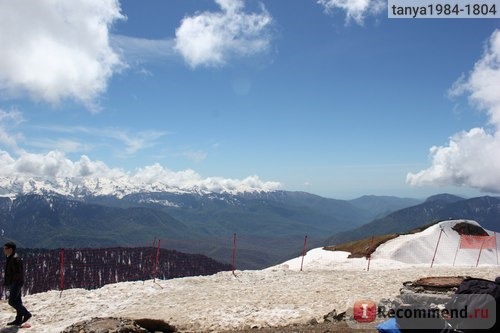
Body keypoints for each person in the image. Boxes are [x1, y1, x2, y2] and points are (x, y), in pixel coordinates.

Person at [3, 242, 31, 326]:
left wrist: (13, 282)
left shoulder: (15, 258)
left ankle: (26, 314)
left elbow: (18, 273)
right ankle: (18, 319)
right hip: (15, 282)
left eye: (5, 248)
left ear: (10, 249)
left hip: (16, 283)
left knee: (12, 301)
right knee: (18, 301)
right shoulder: (11, 257)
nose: (4, 250)